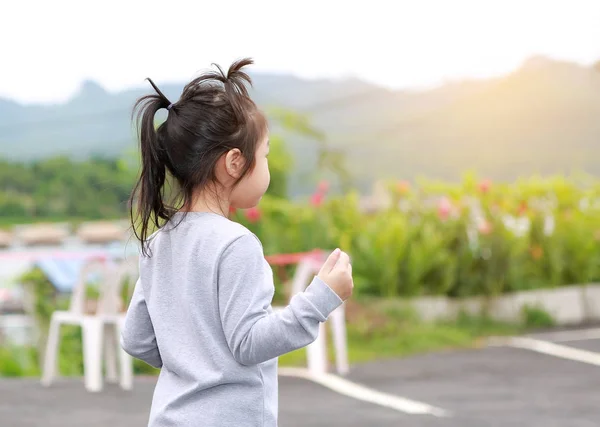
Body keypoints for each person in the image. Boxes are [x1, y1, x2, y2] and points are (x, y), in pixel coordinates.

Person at [120, 58, 354, 427]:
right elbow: (249, 343)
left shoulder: (159, 242)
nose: (266, 169)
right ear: (234, 162)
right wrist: (322, 297)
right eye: (264, 156)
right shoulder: (235, 243)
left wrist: (193, 361)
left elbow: (136, 339)